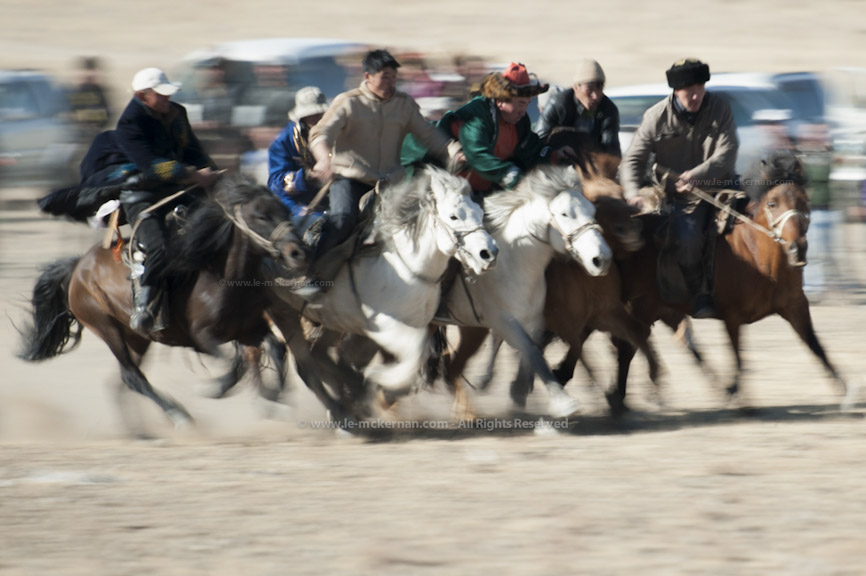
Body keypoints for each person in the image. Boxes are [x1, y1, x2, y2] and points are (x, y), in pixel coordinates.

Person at [306, 49, 463, 283]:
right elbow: (320, 133)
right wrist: (323, 158)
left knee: (419, 223)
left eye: (393, 78)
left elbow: (429, 135)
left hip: (390, 184)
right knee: (343, 219)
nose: (390, 83)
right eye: (384, 77)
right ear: (368, 76)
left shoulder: (404, 105)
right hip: (350, 179)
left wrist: (454, 151)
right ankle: (315, 277)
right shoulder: (348, 103)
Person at [81, 67, 219, 333]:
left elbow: (192, 148)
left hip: (181, 188)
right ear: (143, 96)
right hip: (143, 195)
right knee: (158, 246)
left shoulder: (177, 112)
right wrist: (191, 174)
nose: (167, 98)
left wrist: (209, 171)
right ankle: (145, 304)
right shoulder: (129, 125)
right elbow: (151, 166)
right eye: (161, 94)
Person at [620, 58, 739, 318]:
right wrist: (632, 194)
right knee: (688, 237)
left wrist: (698, 175)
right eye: (689, 90)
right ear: (676, 90)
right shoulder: (655, 117)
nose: (695, 95)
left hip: (723, 188)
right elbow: (633, 160)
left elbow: (728, 152)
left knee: (757, 223)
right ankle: (699, 295)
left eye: (700, 87)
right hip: (683, 200)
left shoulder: (720, 108)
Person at [404, 62, 561, 197]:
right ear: (500, 101)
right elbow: (477, 154)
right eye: (520, 103)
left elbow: (531, 148)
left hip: (474, 190)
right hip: (425, 171)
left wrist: (555, 155)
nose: (523, 110)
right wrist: (513, 177)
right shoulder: (477, 115)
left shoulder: (520, 122)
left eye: (527, 104)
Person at [535, 59, 622, 157]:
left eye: (600, 88)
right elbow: (537, 144)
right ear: (576, 88)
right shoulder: (558, 105)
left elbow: (612, 152)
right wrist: (555, 154)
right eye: (589, 89)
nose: (596, 96)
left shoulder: (608, 110)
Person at [267, 86, 330, 218]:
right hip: (299, 205)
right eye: (310, 115)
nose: (316, 118)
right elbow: (275, 183)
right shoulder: (283, 142)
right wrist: (308, 177)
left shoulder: (338, 132)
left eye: (320, 114)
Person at [66, 56, 112, 144]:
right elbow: (70, 112)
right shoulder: (76, 90)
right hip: (79, 135)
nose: (89, 75)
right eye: (87, 72)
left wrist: (98, 125)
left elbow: (109, 112)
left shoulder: (100, 90)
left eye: (92, 72)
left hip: (96, 133)